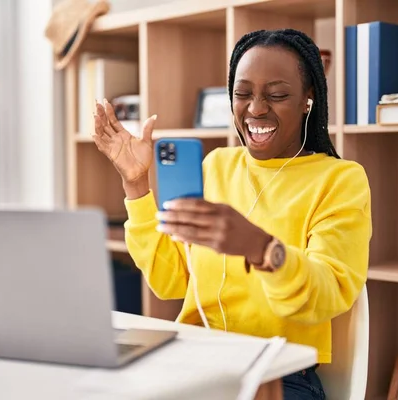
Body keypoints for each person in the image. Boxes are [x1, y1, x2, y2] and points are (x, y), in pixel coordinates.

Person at [92, 28, 372, 400]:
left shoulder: (340, 180)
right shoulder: (217, 166)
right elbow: (169, 279)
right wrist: (136, 184)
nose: (255, 109)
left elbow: (329, 291)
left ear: (308, 100)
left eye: (277, 95)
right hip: (196, 358)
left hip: (280, 374)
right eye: (243, 94)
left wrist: (261, 248)